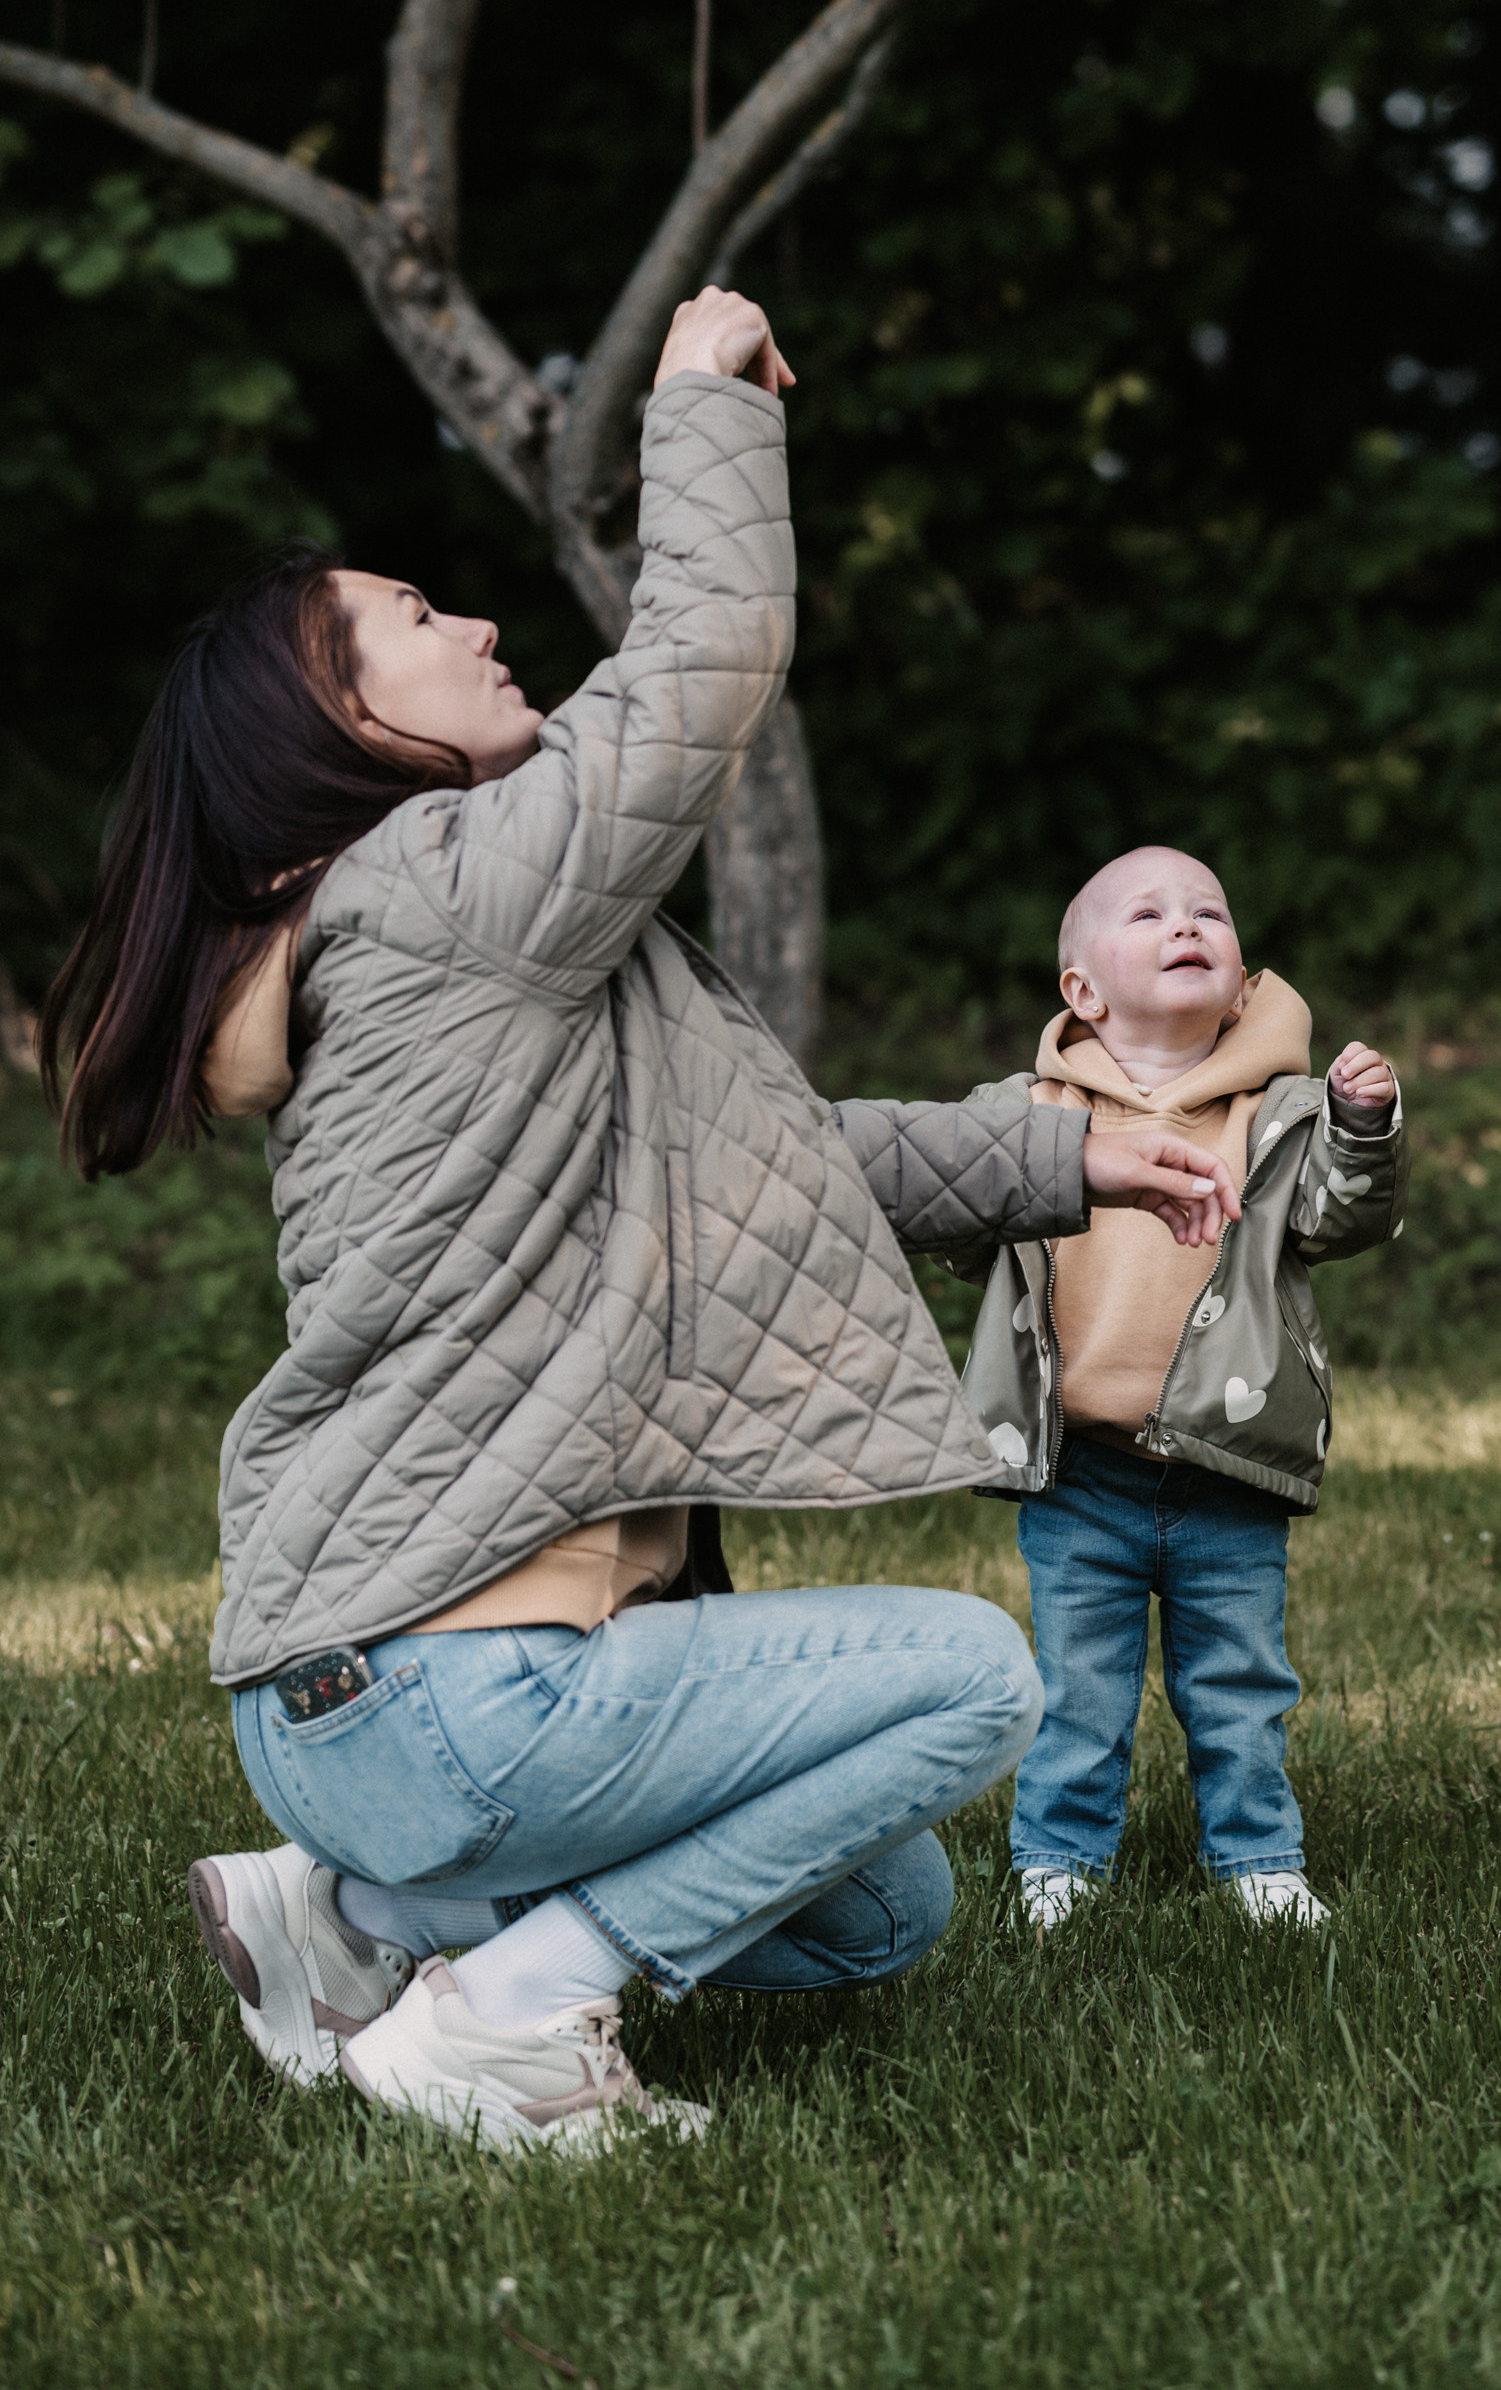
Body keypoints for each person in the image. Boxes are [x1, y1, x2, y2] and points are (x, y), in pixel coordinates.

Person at [42, 290, 1233, 2152]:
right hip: (455, 1694)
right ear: (341, 718)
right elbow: (705, 658)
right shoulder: (442, 890)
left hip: (349, 1715)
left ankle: (356, 1920)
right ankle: (512, 2014)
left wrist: (1058, 1159)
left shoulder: (438, 955)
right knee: (969, 1678)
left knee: (878, 1914)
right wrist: (692, 405)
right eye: (422, 620)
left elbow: (755, 1160)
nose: (482, 624)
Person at [935, 845, 1405, 1933]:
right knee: (1076, 1683)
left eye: (1208, 911)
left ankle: (1257, 1856)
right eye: (1146, 912)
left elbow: (1343, 1218)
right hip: (1080, 1470)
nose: (1185, 922)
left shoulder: (1279, 1111)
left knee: (1240, 1679)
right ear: (1083, 992)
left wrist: (1361, 1129)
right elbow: (960, 1234)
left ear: (1242, 984)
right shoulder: (1029, 1113)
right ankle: (1058, 1857)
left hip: (1225, 1462)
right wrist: (977, 1180)